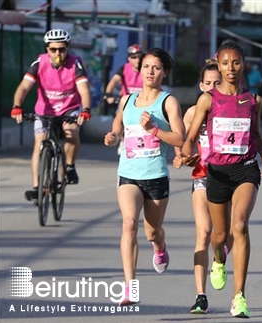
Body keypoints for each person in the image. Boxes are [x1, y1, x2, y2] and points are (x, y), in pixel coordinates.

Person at [178, 40, 262, 318]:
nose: (231, 68)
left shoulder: (254, 100)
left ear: (243, 64)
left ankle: (239, 297)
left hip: (245, 169)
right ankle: (218, 260)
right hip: (216, 173)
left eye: (236, 62)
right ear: (218, 65)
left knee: (240, 226)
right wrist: (187, 156)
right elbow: (191, 137)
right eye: (225, 63)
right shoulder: (208, 99)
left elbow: (256, 133)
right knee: (219, 236)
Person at [103, 48, 185, 306]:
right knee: (129, 224)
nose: (150, 71)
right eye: (147, 66)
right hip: (128, 173)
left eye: (156, 67)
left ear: (164, 72)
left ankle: (160, 247)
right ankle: (130, 287)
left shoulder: (168, 102)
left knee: (152, 232)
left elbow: (180, 138)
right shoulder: (127, 99)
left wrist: (154, 129)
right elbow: (118, 123)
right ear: (140, 69)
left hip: (156, 175)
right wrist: (113, 136)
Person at [172, 58, 231, 314]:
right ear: (200, 85)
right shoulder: (192, 112)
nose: (211, 87)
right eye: (207, 83)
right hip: (202, 176)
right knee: (203, 233)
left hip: (228, 177)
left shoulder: (231, 109)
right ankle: (200, 295)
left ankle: (219, 258)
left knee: (224, 235)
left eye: (217, 83)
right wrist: (183, 158)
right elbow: (184, 142)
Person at [10, 28, 92, 203]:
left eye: (61, 49)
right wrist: (17, 106)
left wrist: (85, 110)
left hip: (69, 108)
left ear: (68, 48)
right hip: (44, 110)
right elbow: (23, 87)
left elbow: (84, 91)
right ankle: (37, 188)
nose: (57, 53)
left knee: (71, 132)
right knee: (39, 144)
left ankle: (70, 166)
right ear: (47, 49)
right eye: (53, 49)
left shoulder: (75, 64)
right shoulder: (39, 63)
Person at [105, 44, 144, 155]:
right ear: (129, 59)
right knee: (120, 118)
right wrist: (108, 94)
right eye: (134, 57)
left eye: (139, 57)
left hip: (143, 102)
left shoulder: (146, 69)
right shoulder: (124, 68)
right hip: (126, 102)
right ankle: (122, 140)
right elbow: (113, 81)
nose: (137, 60)